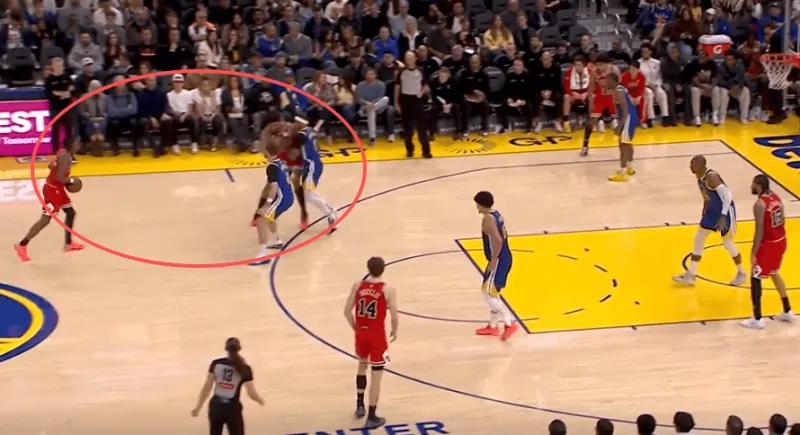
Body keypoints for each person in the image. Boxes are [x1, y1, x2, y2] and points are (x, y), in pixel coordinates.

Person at [343, 256, 399, 430]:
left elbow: (346, 312)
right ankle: (372, 416)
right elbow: (394, 316)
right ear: (383, 269)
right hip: (377, 336)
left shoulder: (357, 285)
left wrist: (356, 328)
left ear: (368, 269)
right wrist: (395, 330)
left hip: (361, 333)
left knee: (362, 366)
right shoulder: (388, 289)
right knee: (376, 377)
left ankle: (359, 405)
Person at [673, 155, 746, 286]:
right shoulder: (699, 176)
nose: (690, 166)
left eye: (693, 164)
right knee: (698, 239)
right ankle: (691, 275)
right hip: (712, 211)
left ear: (701, 166)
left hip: (725, 212)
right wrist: (705, 208)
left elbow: (727, 196)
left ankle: (741, 272)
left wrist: (723, 216)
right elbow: (707, 195)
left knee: (727, 243)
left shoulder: (712, 177)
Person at [14, 141, 84, 262]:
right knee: (45, 220)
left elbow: (50, 166)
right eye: (77, 143)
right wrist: (72, 181)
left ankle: (68, 244)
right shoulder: (66, 157)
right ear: (72, 145)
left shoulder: (61, 152)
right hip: (53, 191)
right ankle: (22, 244)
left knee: (70, 212)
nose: (79, 145)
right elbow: (60, 177)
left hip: (57, 188)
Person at [741, 175, 793, 329]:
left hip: (769, 245)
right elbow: (783, 220)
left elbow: (759, 231)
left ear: (758, 186)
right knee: (774, 273)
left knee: (755, 277)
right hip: (781, 240)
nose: (751, 186)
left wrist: (754, 251)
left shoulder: (759, 204)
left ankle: (757, 318)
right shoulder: (776, 198)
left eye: (753, 184)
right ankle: (787, 309)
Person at [190, 337, 265, 435]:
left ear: (226, 349)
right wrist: (260, 400)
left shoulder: (216, 364)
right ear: (239, 349)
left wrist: (198, 408)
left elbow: (207, 387)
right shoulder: (244, 368)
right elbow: (251, 393)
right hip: (232, 408)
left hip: (215, 406)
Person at [473, 191, 517, 340]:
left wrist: (493, 260)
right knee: (493, 292)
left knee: (487, 292)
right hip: (503, 257)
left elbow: (498, 240)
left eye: (477, 204)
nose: (477, 207)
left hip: (499, 259)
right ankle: (493, 326)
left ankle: (509, 323)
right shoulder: (496, 214)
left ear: (481, 204)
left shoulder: (487, 219)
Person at [250, 138, 295, 266]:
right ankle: (276, 241)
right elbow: (288, 176)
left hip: (281, 198)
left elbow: (274, 186)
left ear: (266, 152)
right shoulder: (282, 162)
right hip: (288, 196)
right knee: (270, 217)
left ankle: (263, 255)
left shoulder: (272, 167)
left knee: (261, 220)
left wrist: (267, 204)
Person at [297, 123, 338, 232]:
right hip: (315, 164)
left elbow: (292, 143)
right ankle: (330, 209)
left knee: (309, 196)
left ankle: (330, 215)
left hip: (312, 167)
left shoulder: (302, 135)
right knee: (310, 194)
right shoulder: (310, 130)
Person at [580, 53, 619, 157]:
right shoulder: (594, 72)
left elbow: (618, 86)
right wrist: (590, 100)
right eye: (597, 64)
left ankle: (625, 145)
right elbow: (591, 88)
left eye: (600, 65)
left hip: (611, 97)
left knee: (621, 122)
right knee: (591, 122)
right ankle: (585, 146)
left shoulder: (614, 70)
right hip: (599, 98)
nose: (598, 67)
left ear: (606, 64)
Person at [395, 50, 431, 158]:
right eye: (407, 58)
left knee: (422, 128)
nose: (409, 60)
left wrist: (422, 92)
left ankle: (426, 151)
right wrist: (396, 102)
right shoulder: (401, 72)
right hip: (405, 100)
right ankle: (410, 149)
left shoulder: (421, 71)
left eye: (411, 58)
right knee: (407, 129)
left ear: (415, 59)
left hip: (417, 101)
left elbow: (427, 86)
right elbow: (397, 87)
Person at [605, 73, 638, 182]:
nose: (606, 82)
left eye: (608, 80)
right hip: (632, 116)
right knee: (627, 143)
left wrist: (620, 125)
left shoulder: (618, 92)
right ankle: (630, 167)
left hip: (628, 117)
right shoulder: (620, 88)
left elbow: (625, 109)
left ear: (613, 81)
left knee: (623, 145)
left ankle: (622, 173)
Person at [45, 57, 75, 158]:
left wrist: (63, 93)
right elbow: (50, 94)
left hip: (67, 108)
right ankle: (56, 153)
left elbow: (73, 90)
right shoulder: (49, 79)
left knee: (69, 132)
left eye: (61, 66)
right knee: (55, 132)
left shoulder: (67, 78)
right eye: (57, 66)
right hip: (55, 109)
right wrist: (65, 93)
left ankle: (69, 153)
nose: (60, 68)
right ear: (52, 67)